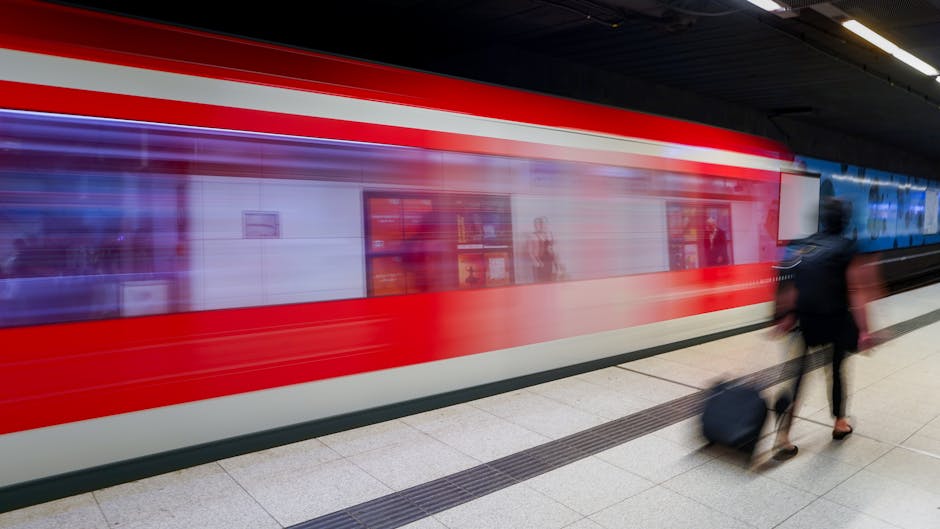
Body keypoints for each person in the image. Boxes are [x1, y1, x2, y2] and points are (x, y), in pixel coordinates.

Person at [771, 197, 876, 461]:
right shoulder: (847, 248)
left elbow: (791, 285)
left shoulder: (804, 245)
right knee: (837, 370)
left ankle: (783, 437)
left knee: (797, 376)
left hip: (805, 321)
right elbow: (856, 292)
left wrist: (784, 317)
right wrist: (864, 330)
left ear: (822, 219)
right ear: (845, 220)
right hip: (836, 321)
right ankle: (840, 423)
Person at [527, 216, 557, 282]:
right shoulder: (532, 236)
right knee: (539, 281)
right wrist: (535, 261)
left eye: (541, 223)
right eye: (536, 224)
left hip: (549, 261)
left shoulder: (549, 234)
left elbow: (552, 249)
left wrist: (555, 263)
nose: (540, 225)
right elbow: (530, 251)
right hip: (539, 261)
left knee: (549, 280)